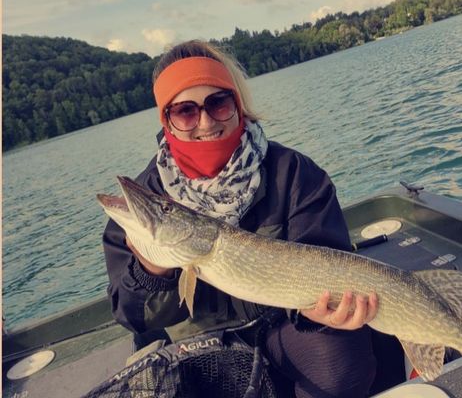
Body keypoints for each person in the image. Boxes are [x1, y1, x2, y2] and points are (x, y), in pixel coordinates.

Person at [102, 39, 379, 398]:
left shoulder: (292, 173)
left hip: (284, 326)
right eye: (185, 111)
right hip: (200, 347)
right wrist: (152, 274)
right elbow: (133, 317)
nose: (204, 122)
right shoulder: (148, 198)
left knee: (341, 362)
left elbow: (325, 258)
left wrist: (320, 311)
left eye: (218, 102)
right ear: (166, 120)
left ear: (238, 104)